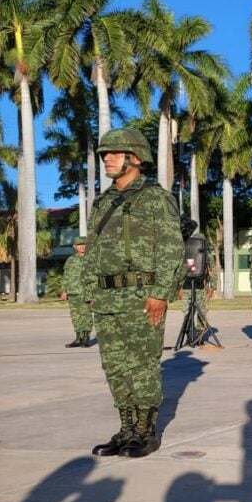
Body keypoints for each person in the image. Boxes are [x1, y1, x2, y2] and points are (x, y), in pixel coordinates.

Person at [82, 128, 184, 459]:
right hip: (107, 298)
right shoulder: (102, 201)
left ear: (136, 158)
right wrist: (90, 291)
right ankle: (125, 428)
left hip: (143, 296)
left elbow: (171, 248)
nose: (107, 158)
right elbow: (93, 249)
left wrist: (161, 293)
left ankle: (145, 431)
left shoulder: (156, 198)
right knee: (114, 367)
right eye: (103, 154)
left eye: (114, 153)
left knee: (142, 366)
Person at [178, 232, 216, 344]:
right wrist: (178, 287)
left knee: (201, 313)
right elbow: (179, 271)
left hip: (200, 287)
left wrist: (212, 286)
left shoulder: (206, 254)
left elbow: (212, 270)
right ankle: (190, 337)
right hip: (186, 287)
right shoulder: (185, 253)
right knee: (187, 312)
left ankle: (200, 338)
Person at [61, 236, 93, 348]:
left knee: (86, 315)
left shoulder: (91, 259)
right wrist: (64, 290)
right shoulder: (70, 260)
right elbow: (66, 276)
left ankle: (86, 338)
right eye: (79, 245)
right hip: (72, 292)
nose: (82, 246)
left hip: (86, 293)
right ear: (75, 246)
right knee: (75, 316)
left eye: (84, 244)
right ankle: (78, 338)